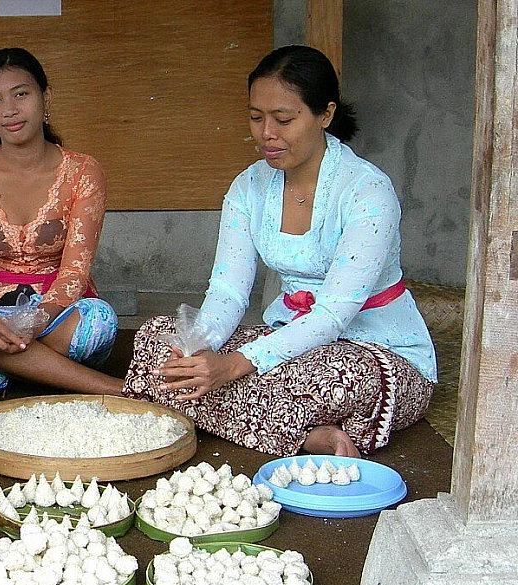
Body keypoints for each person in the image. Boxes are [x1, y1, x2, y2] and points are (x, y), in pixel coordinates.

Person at [123, 45, 437, 458]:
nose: (266, 133)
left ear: (325, 115)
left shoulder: (367, 191)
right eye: (256, 118)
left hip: (376, 353)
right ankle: (310, 435)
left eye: (283, 119)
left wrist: (234, 365)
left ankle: (237, 416)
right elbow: (229, 292)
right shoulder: (248, 188)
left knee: (332, 378)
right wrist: (200, 345)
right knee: (157, 344)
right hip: (288, 338)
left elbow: (331, 316)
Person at [0, 48, 121, 395]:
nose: (9, 110)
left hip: (60, 312)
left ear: (45, 96)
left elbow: (75, 272)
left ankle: (6, 366)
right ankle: (106, 386)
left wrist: (38, 319)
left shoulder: (83, 172)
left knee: (100, 321)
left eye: (21, 94)